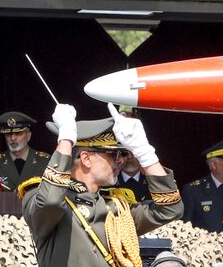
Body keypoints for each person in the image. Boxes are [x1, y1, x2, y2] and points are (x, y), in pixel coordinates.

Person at [21, 103, 183, 267]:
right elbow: (50, 202)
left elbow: (170, 209)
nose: (121, 160)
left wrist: (146, 153)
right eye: (114, 154)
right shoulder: (38, 196)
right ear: (86, 159)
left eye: (122, 154)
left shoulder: (117, 207)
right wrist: (66, 140)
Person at [0, 111, 50, 190]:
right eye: (8, 134)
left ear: (28, 136)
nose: (13, 138)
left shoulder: (45, 162)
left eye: (18, 133)